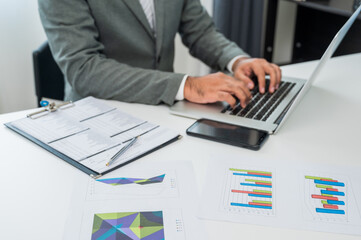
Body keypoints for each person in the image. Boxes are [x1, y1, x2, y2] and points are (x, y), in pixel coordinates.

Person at [38, 0, 281, 109]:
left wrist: (237, 60)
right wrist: (188, 86)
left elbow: (200, 31)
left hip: (166, 111)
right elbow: (84, 69)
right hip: (101, 117)